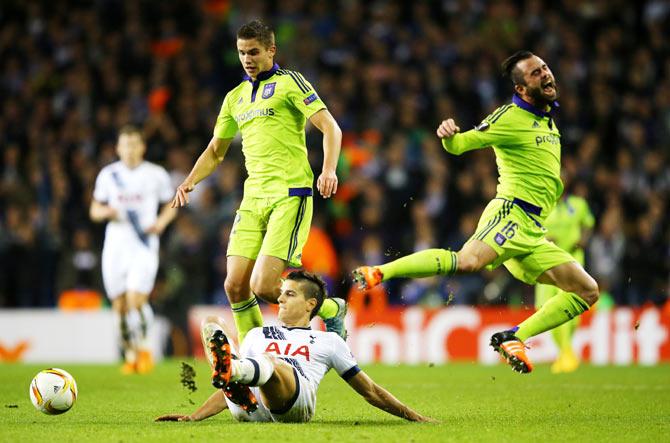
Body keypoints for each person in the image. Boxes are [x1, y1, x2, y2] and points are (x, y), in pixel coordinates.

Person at [353, 51, 600, 374]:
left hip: (533, 230)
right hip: (511, 214)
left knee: (587, 290)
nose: (545, 74)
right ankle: (380, 272)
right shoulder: (510, 116)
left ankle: (514, 337)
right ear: (522, 90)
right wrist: (449, 136)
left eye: (545, 68)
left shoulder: (547, 120)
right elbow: (461, 145)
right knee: (467, 261)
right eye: (535, 74)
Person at [171, 20, 346, 344]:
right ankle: (255, 354)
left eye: (253, 51)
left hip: (289, 194)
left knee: (264, 286)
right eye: (241, 52)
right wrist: (189, 181)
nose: (247, 58)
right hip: (253, 199)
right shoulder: (235, 97)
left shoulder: (290, 83)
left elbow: (331, 128)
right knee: (234, 285)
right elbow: (215, 151)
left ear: (271, 50)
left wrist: (329, 170)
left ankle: (331, 308)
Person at [155, 271, 432, 423]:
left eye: (290, 294)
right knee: (212, 322)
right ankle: (235, 370)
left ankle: (235, 367)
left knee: (268, 363)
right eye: (281, 293)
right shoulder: (257, 334)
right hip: (248, 405)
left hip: (292, 406)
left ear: (311, 304)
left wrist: (413, 416)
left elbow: (370, 391)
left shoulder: (329, 341)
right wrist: (195, 417)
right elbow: (231, 383)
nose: (281, 299)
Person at [90, 124, 177, 373]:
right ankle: (131, 354)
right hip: (115, 246)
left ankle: (146, 349)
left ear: (143, 147)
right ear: (118, 148)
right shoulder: (108, 175)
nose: (129, 150)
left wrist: (160, 222)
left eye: (134, 144)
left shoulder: (156, 174)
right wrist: (105, 211)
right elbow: (94, 210)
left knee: (136, 299)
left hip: (143, 244)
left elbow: (171, 203)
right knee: (119, 305)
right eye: (125, 145)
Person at [535, 189, 594, 373]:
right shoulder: (541, 206)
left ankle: (567, 353)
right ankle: (565, 352)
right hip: (548, 263)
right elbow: (532, 232)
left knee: (568, 306)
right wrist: (544, 239)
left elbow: (588, 224)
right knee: (544, 308)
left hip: (571, 261)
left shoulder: (578, 204)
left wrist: (583, 240)